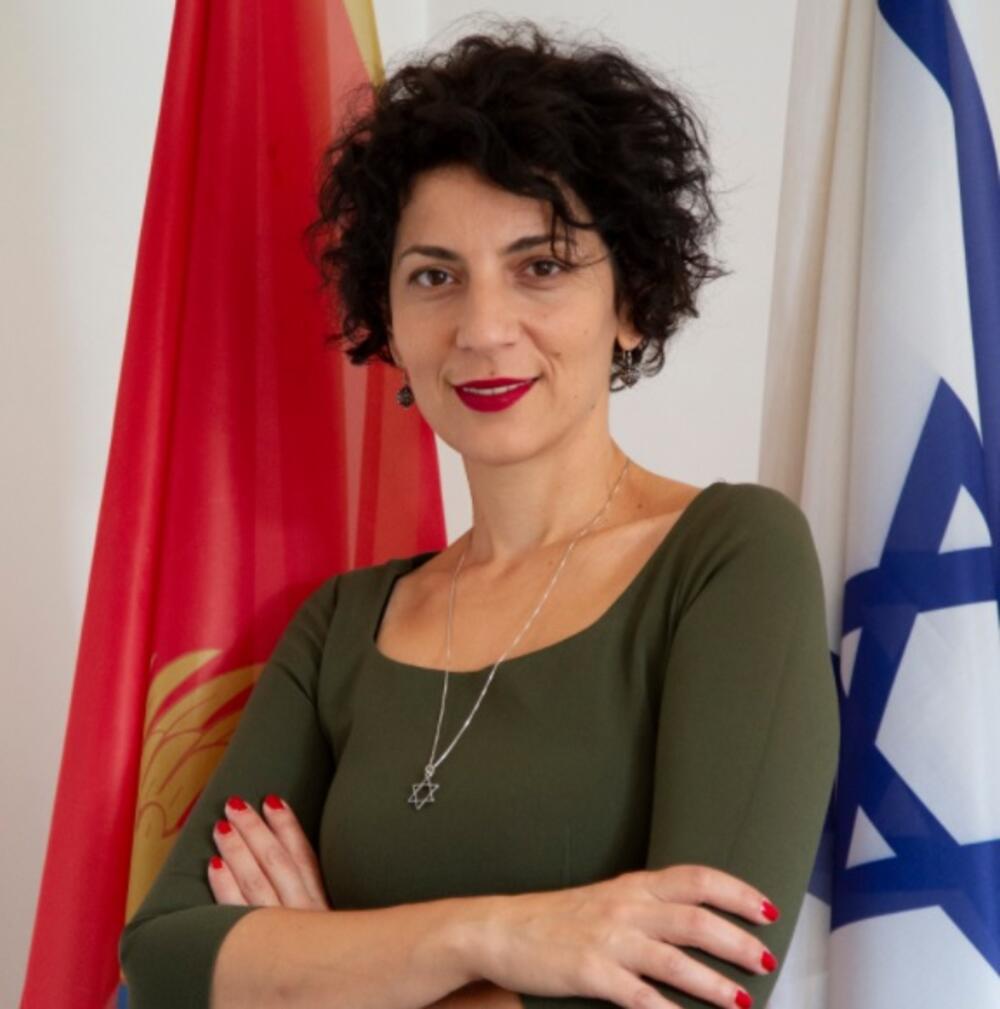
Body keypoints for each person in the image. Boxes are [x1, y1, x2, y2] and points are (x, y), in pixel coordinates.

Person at [119, 17, 839, 1009]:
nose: (483, 326)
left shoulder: (731, 557)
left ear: (631, 299)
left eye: (541, 265)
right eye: (435, 276)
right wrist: (493, 934)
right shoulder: (341, 626)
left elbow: (698, 984)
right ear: (389, 319)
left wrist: (324, 965)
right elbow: (165, 957)